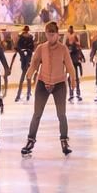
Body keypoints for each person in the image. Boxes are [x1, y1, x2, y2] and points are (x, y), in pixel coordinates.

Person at [22, 22, 76, 157]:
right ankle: (30, 141)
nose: (51, 37)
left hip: (59, 84)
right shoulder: (41, 48)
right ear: (46, 34)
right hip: (43, 83)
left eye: (53, 34)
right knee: (37, 114)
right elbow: (34, 62)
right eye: (48, 34)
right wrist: (29, 73)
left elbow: (70, 66)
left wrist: (73, 81)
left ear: (57, 34)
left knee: (61, 115)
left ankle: (64, 141)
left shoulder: (63, 49)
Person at [13, 25, 37, 102]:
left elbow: (18, 48)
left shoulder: (21, 38)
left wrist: (21, 53)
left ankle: (19, 95)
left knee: (24, 76)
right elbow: (32, 48)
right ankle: (28, 93)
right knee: (28, 76)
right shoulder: (30, 38)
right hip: (28, 59)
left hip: (23, 59)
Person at [67, 25, 86, 102]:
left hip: (74, 64)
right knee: (70, 79)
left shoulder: (75, 46)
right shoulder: (68, 47)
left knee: (75, 78)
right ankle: (72, 93)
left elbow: (79, 52)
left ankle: (77, 93)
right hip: (71, 64)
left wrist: (82, 58)